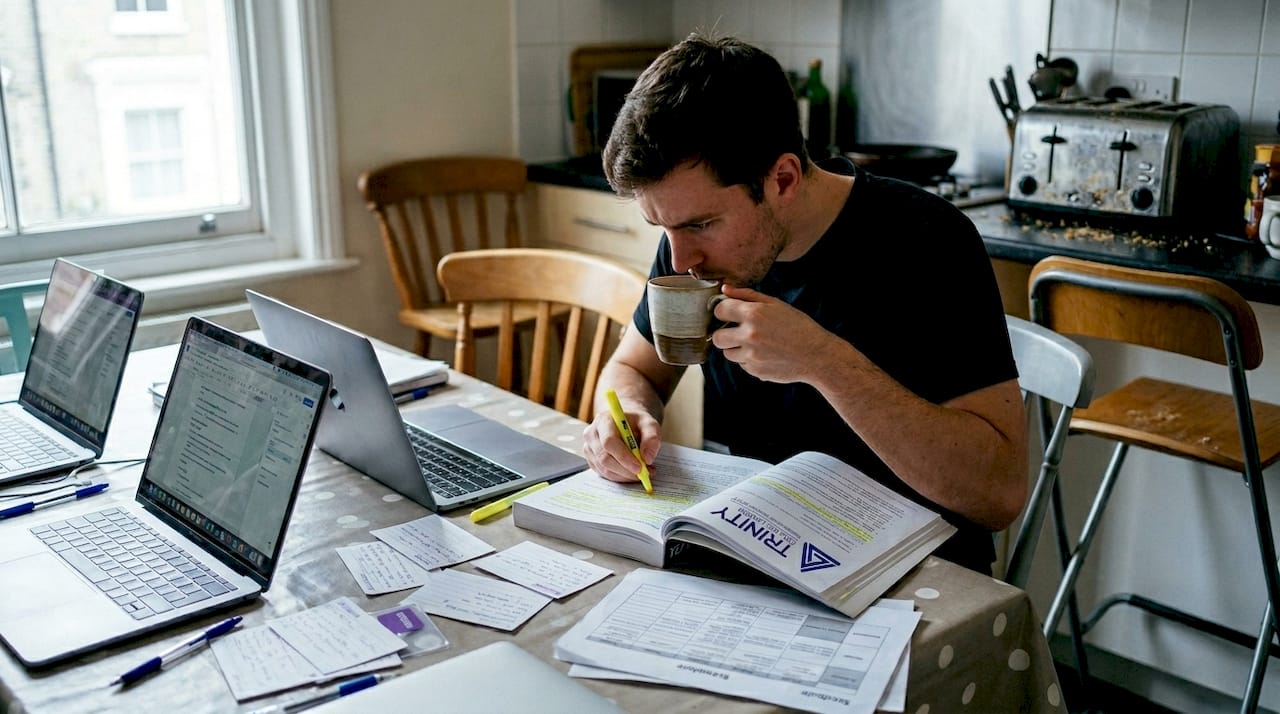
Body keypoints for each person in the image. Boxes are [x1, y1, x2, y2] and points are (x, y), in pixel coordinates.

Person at [581, 33, 1027, 575]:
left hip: (914, 575)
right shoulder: (691, 246)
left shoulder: (928, 241)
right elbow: (634, 368)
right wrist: (625, 413)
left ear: (783, 179)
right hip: (757, 550)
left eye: (701, 224)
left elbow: (999, 495)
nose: (679, 258)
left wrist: (823, 362)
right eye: (663, 226)